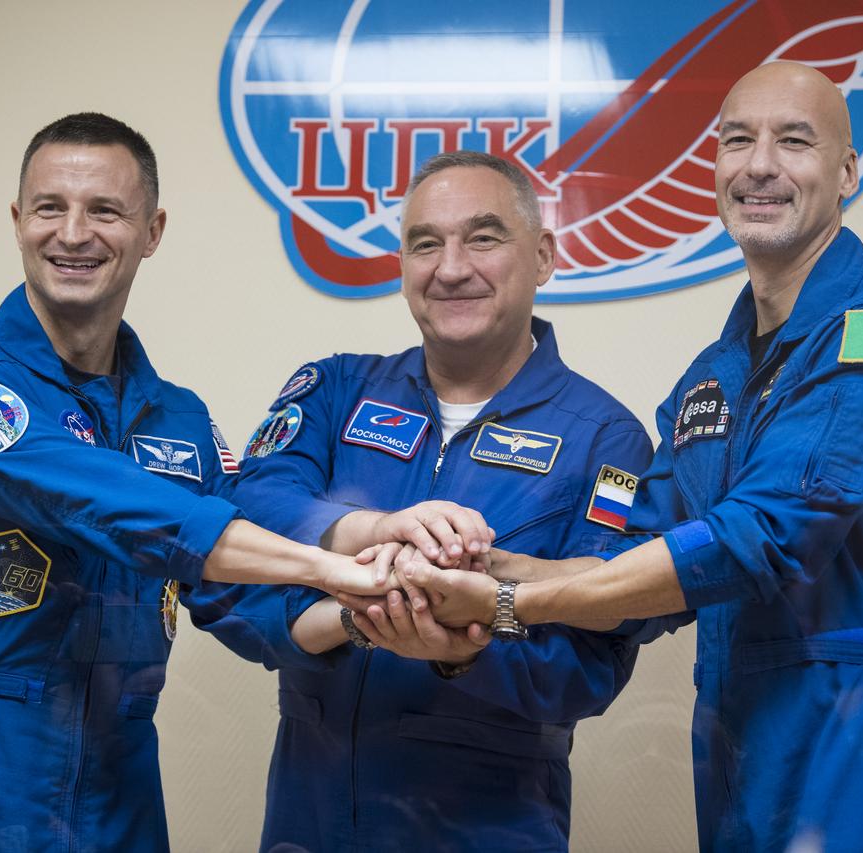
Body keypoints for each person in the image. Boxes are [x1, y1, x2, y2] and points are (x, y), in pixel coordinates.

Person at [402, 63, 863, 851]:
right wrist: (489, 566)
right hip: (738, 746)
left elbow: (764, 535)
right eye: (737, 140)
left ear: (846, 172)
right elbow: (641, 556)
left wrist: (509, 603)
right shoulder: (713, 375)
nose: (759, 164)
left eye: (794, 141)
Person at [0, 113, 384, 853]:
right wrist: (329, 563)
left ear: (152, 231)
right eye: (49, 207)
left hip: (118, 792)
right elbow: (95, 496)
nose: (73, 233)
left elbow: (243, 598)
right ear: (18, 221)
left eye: (104, 210)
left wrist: (367, 606)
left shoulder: (180, 420)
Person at [196, 151, 666, 851]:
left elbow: (594, 660)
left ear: (542, 256)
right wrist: (366, 542)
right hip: (310, 815)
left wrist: (462, 652)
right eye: (424, 243)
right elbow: (243, 531)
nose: (450, 268)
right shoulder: (336, 390)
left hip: (489, 825)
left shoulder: (606, 439)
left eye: (483, 237)